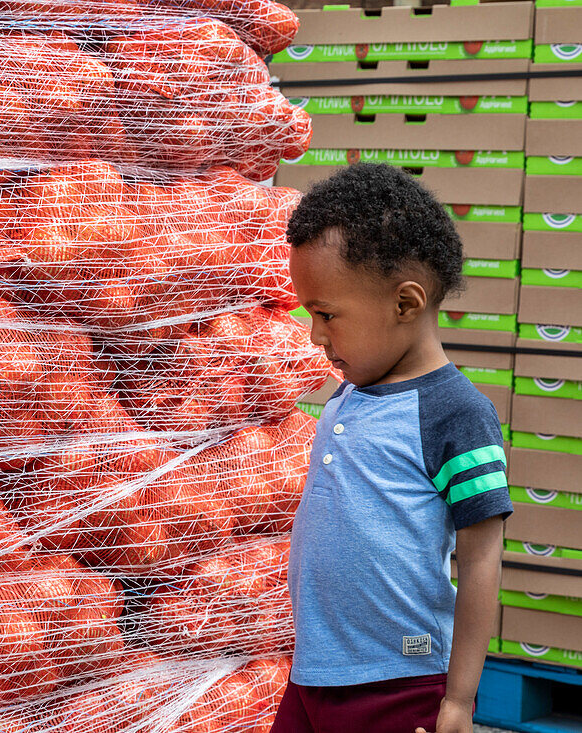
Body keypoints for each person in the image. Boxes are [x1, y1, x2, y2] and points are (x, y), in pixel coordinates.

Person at [270, 164, 511, 733]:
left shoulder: (456, 414)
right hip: (315, 676)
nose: (314, 335)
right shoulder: (346, 400)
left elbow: (481, 562)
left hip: (400, 684)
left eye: (326, 314)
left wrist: (458, 699)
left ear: (406, 303)